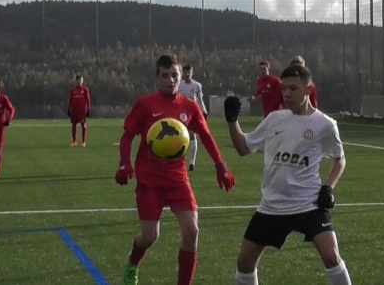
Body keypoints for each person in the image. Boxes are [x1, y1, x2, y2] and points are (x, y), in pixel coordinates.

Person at [224, 64, 352, 285]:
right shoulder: (274, 119)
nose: (287, 94)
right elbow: (243, 148)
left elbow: (339, 159)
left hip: (308, 204)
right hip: (272, 206)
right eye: (284, 88)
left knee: (331, 256)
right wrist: (232, 121)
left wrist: (328, 187)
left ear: (309, 89)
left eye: (293, 88)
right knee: (244, 262)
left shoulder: (325, 125)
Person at [115, 54, 236, 285]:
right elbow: (127, 136)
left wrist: (220, 166)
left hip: (178, 180)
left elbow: (206, 136)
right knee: (150, 236)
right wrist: (124, 163)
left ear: (181, 76)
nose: (170, 80)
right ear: (157, 78)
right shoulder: (145, 104)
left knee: (192, 231)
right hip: (150, 181)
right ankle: (133, 262)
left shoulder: (189, 107)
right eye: (165, 76)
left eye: (174, 75)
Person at [177, 64, 208, 171]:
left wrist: (204, 111)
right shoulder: (179, 85)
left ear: (192, 73)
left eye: (188, 72)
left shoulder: (197, 85)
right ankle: (179, 160)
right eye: (185, 72)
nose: (186, 74)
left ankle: (191, 163)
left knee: (192, 136)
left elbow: (200, 99)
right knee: (180, 136)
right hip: (181, 113)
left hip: (192, 113)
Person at [68, 74, 92, 147]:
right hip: (74, 110)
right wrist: (69, 109)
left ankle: (83, 142)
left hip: (82, 111)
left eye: (80, 80)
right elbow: (70, 100)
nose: (79, 82)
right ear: (76, 81)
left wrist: (88, 109)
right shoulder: (73, 90)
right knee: (73, 125)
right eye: (78, 80)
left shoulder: (85, 89)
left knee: (83, 125)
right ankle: (74, 141)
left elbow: (88, 100)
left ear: (82, 81)